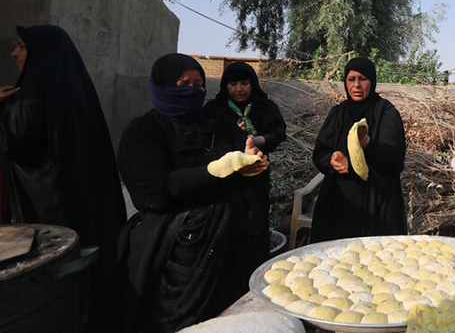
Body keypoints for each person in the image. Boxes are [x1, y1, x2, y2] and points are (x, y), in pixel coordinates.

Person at [117, 53, 269, 333]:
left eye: (198, 85)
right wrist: (211, 171)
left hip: (229, 234)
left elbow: (238, 167)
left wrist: (249, 165)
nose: (192, 91)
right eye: (183, 84)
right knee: (180, 320)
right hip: (174, 243)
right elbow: (153, 192)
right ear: (162, 86)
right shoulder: (143, 131)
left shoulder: (216, 121)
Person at [0, 25, 126, 331]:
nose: (14, 53)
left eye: (21, 46)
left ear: (40, 53)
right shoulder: (74, 89)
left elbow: (13, 142)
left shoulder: (32, 95)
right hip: (76, 206)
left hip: (46, 211)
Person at [309, 57, 407, 243]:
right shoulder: (338, 113)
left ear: (372, 81)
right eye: (351, 79)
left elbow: (394, 160)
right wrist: (331, 160)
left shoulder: (386, 113)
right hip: (340, 203)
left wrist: (367, 142)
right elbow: (319, 153)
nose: (356, 85)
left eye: (363, 79)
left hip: (376, 202)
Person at [204, 61, 286, 269]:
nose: (238, 89)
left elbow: (279, 132)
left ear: (253, 84)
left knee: (255, 219)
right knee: (225, 221)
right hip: (225, 177)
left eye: (244, 83)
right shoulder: (215, 109)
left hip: (256, 175)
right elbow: (205, 140)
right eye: (233, 84)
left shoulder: (265, 107)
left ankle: (254, 270)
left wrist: (259, 140)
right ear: (225, 86)